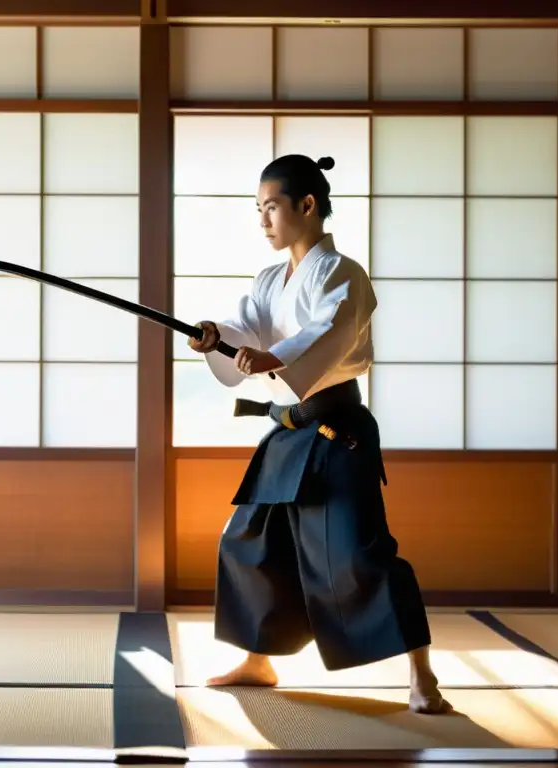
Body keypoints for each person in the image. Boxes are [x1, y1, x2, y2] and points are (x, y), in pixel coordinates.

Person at [187, 153, 451, 715]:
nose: (263, 221)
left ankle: (422, 677)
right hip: (288, 433)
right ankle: (259, 659)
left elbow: (323, 332)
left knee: (362, 554)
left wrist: (270, 357)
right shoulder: (269, 278)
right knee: (248, 543)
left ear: (308, 206)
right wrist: (217, 336)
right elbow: (249, 332)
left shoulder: (342, 273)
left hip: (336, 431)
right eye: (258, 210)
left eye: (272, 207)